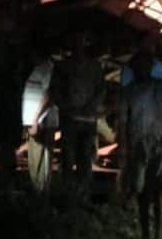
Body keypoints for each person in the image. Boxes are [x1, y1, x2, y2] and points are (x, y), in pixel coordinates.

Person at [116, 49, 162, 239]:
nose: (141, 69)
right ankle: (146, 233)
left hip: (158, 146)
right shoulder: (129, 91)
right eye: (138, 66)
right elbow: (123, 120)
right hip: (138, 146)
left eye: (144, 65)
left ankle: (158, 233)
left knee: (159, 192)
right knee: (143, 193)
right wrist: (124, 146)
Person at [50, 30, 105, 201]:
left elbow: (100, 89)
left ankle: (81, 193)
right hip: (73, 118)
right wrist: (68, 108)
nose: (79, 46)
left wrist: (90, 107)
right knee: (69, 156)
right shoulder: (64, 66)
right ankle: (69, 192)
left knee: (84, 157)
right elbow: (55, 91)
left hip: (85, 119)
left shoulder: (94, 66)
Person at [21, 43, 60, 194]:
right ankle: (40, 193)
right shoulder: (41, 68)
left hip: (42, 123)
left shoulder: (46, 69)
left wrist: (36, 121)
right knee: (37, 160)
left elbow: (47, 96)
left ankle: (41, 195)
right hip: (37, 122)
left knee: (39, 161)